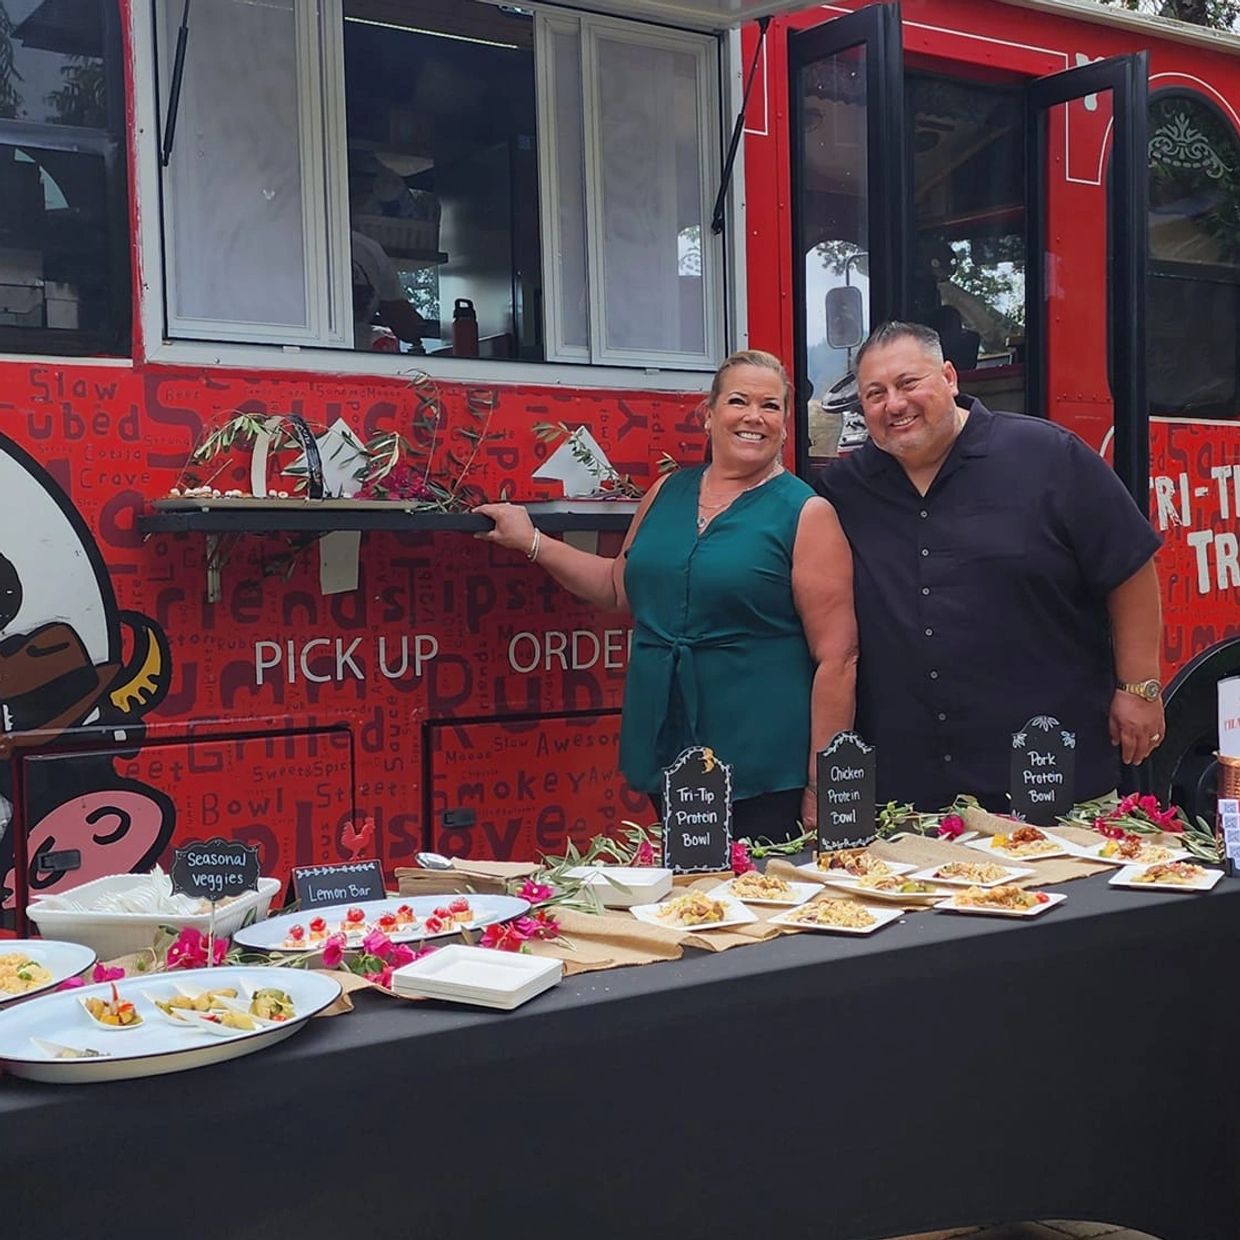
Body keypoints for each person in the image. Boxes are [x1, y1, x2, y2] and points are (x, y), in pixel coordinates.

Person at [475, 350, 858, 841]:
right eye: (739, 401)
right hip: (671, 742)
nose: (754, 417)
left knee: (763, 901)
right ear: (708, 414)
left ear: (785, 423)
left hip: (763, 759)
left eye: (771, 406)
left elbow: (838, 658)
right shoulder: (666, 492)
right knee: (693, 899)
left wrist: (821, 784)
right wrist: (531, 541)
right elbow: (619, 587)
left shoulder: (807, 513)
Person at [815, 320, 1164, 811]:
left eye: (908, 383)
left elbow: (1128, 568)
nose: (894, 404)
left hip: (1051, 779)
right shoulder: (844, 490)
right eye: (875, 393)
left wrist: (1140, 688)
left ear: (950, 378)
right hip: (910, 797)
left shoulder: (1049, 457)